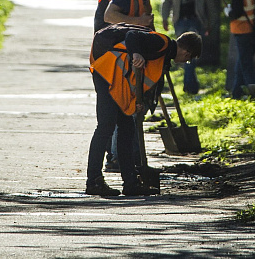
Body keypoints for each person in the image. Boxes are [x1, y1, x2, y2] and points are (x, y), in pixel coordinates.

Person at [86, 26, 203, 196]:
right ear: (186, 52)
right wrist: (136, 53)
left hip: (118, 83)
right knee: (106, 126)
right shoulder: (161, 42)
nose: (185, 61)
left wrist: (138, 103)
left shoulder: (163, 57)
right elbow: (132, 35)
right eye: (188, 58)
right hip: (107, 73)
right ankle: (94, 181)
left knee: (127, 129)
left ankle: (130, 183)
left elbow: (141, 80)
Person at [93, 0, 139, 173]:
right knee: (108, 122)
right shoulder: (108, 0)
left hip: (131, 69)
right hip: (108, 68)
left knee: (128, 118)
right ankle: (111, 159)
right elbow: (101, 33)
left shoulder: (142, 3)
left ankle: (128, 165)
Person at [160, 0, 216, 94]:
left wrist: (211, 21)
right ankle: (191, 84)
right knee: (184, 51)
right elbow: (167, 0)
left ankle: (190, 85)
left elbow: (209, 2)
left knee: (191, 50)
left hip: (197, 20)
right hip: (180, 20)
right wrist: (165, 18)